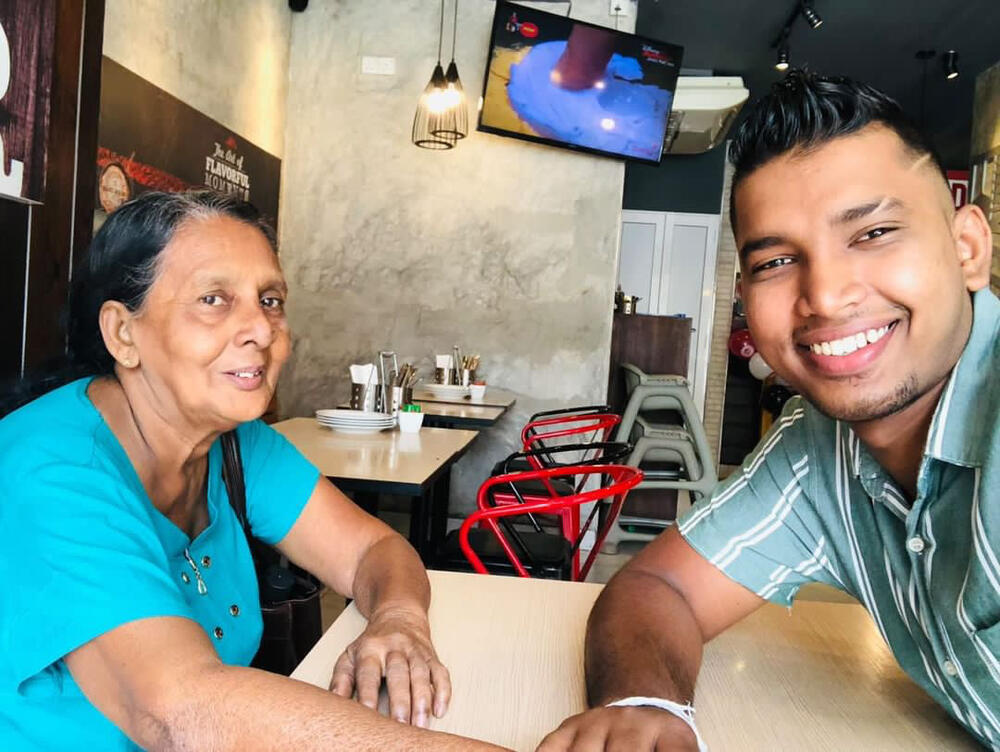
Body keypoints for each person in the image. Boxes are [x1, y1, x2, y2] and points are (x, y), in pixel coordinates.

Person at [538, 70, 997, 751]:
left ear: (968, 249)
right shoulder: (818, 446)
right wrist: (645, 704)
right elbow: (660, 585)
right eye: (777, 261)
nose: (826, 296)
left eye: (874, 233)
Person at [0, 191, 505, 750]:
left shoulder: (235, 443)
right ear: (123, 332)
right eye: (213, 299)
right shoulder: (49, 470)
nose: (262, 330)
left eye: (270, 300)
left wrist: (399, 617)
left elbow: (371, 549)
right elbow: (178, 712)